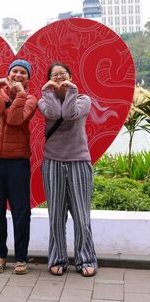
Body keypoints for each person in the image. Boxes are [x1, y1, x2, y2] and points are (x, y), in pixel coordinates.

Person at [38, 62, 97, 277]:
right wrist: (48, 91)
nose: (59, 77)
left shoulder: (83, 100)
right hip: (52, 162)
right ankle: (57, 258)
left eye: (63, 74)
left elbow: (70, 114)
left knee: (81, 214)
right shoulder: (44, 101)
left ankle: (86, 258)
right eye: (55, 75)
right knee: (56, 214)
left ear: (71, 76)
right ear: (50, 79)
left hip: (79, 162)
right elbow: (54, 113)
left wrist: (71, 90)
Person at [0, 60, 38, 275]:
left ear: (28, 78)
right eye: (14, 71)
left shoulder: (31, 99)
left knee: (21, 212)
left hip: (17, 161)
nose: (18, 74)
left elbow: (15, 120)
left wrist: (21, 94)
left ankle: (21, 257)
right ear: (8, 74)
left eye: (23, 72)